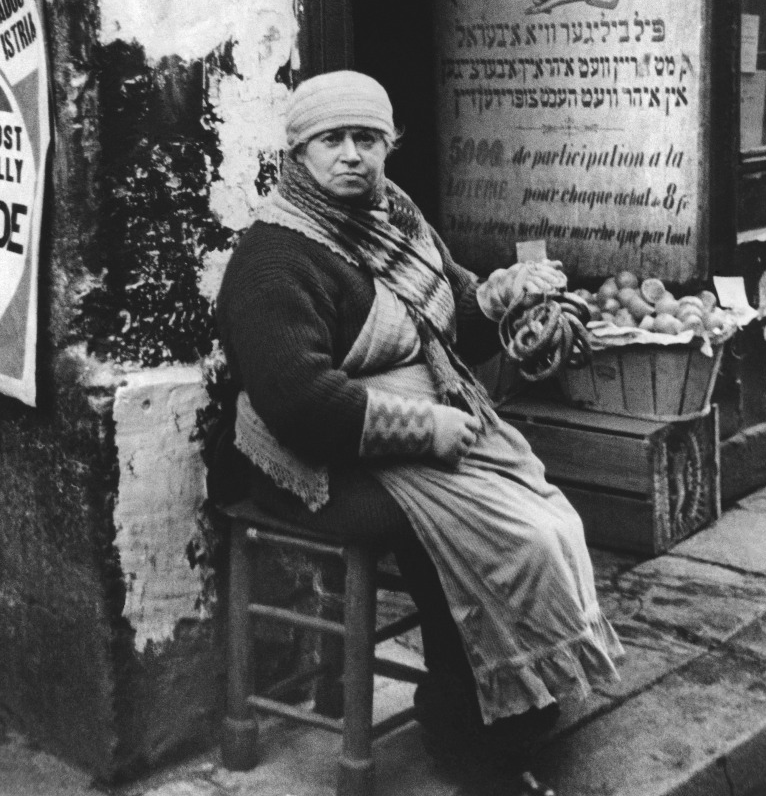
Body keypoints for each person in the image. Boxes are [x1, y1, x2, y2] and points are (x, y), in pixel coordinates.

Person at [216, 70, 622, 795]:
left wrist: (500, 298)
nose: (351, 155)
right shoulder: (274, 258)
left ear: (388, 146)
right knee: (480, 543)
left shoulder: (394, 218)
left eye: (367, 139)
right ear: (297, 152)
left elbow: (451, 318)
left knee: (548, 524)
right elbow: (300, 403)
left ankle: (520, 704)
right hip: (320, 461)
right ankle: (464, 731)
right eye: (331, 140)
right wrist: (426, 427)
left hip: (424, 431)